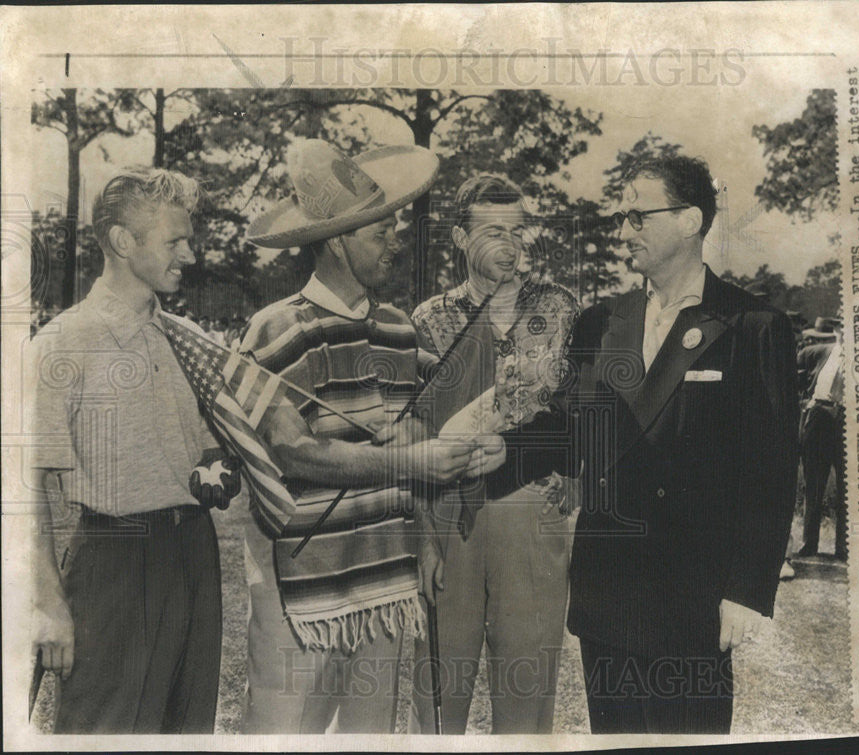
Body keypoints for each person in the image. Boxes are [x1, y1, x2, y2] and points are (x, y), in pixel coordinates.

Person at [493, 154, 800, 733]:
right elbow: (573, 429)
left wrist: (747, 590)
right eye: (622, 218)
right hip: (607, 593)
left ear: (690, 221)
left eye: (638, 218)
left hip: (694, 597)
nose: (623, 231)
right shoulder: (601, 321)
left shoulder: (753, 326)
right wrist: (492, 457)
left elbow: (772, 471)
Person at [237, 139, 503, 734]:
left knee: (369, 737)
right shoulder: (276, 329)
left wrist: (427, 538)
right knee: (284, 734)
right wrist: (411, 465)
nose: (394, 243)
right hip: (303, 587)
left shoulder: (397, 329)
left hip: (386, 580)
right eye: (379, 233)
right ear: (337, 240)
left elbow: (406, 436)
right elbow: (294, 453)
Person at [28, 167, 241, 733]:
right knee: (105, 731)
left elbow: (207, 456)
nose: (189, 256)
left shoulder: (184, 339)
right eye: (175, 241)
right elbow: (21, 488)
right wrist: (46, 601)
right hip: (115, 562)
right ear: (124, 242)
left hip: (194, 554)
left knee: (185, 730)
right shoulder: (61, 343)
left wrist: (220, 467)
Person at [408, 175, 580, 734]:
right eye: (491, 231)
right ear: (459, 237)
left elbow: (582, 415)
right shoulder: (427, 320)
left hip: (534, 512)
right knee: (438, 693)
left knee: (526, 696)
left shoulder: (560, 309)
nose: (508, 244)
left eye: (516, 230)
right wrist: (422, 536)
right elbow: (413, 434)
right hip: (449, 510)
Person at [796, 319, 847, 560]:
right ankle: (809, 544)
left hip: (848, 420)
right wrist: (805, 401)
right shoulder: (818, 352)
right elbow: (794, 376)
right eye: (843, 329)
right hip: (818, 415)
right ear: (836, 332)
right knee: (814, 482)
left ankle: (843, 548)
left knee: (848, 488)